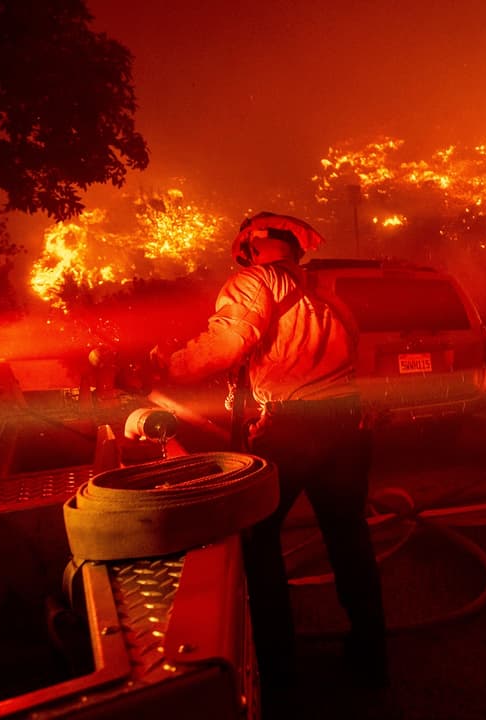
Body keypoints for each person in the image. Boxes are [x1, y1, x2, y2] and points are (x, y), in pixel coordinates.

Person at [151, 212, 388, 713]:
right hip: (347, 425)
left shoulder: (255, 282)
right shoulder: (328, 294)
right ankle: (371, 656)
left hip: (295, 429)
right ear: (295, 249)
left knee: (257, 540)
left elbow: (226, 342)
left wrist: (168, 366)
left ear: (252, 249)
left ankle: (278, 671)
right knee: (348, 537)